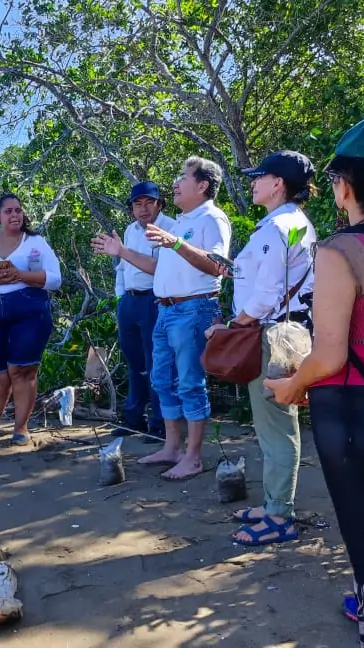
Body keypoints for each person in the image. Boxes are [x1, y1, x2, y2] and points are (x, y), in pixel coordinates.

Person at [266, 111, 364, 646]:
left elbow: (330, 355)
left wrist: (292, 386)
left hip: (357, 415)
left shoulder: (341, 251)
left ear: (344, 185)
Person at [204, 151, 318, 546]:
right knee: (275, 426)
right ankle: (274, 505)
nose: (254, 182)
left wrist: (233, 327)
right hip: (285, 333)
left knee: (276, 428)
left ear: (279, 184)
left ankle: (280, 516)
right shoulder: (292, 224)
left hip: (271, 335)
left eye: (260, 177)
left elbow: (266, 293)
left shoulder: (278, 228)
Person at [138, 156, 231, 481]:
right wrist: (121, 251)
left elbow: (219, 265)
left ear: (202, 185)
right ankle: (172, 448)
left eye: (183, 177)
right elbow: (160, 268)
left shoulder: (212, 218)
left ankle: (193, 458)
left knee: (190, 383)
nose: (175, 183)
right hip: (165, 310)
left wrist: (176, 242)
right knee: (162, 379)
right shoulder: (178, 223)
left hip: (193, 310)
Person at [0, 193, 63, 446]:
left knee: (22, 370)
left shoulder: (35, 241)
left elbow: (55, 279)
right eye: (8, 211)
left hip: (29, 312)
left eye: (18, 210)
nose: (15, 215)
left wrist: (20, 275)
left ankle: (21, 428)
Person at [91, 181, 177, 444]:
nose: (143, 209)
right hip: (130, 300)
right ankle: (133, 418)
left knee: (157, 363)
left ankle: (160, 422)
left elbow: (161, 269)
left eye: (148, 203)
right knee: (134, 362)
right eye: (137, 204)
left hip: (156, 299)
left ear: (159, 204)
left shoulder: (171, 228)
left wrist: (123, 252)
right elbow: (121, 267)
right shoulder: (130, 230)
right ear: (131, 209)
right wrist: (120, 297)